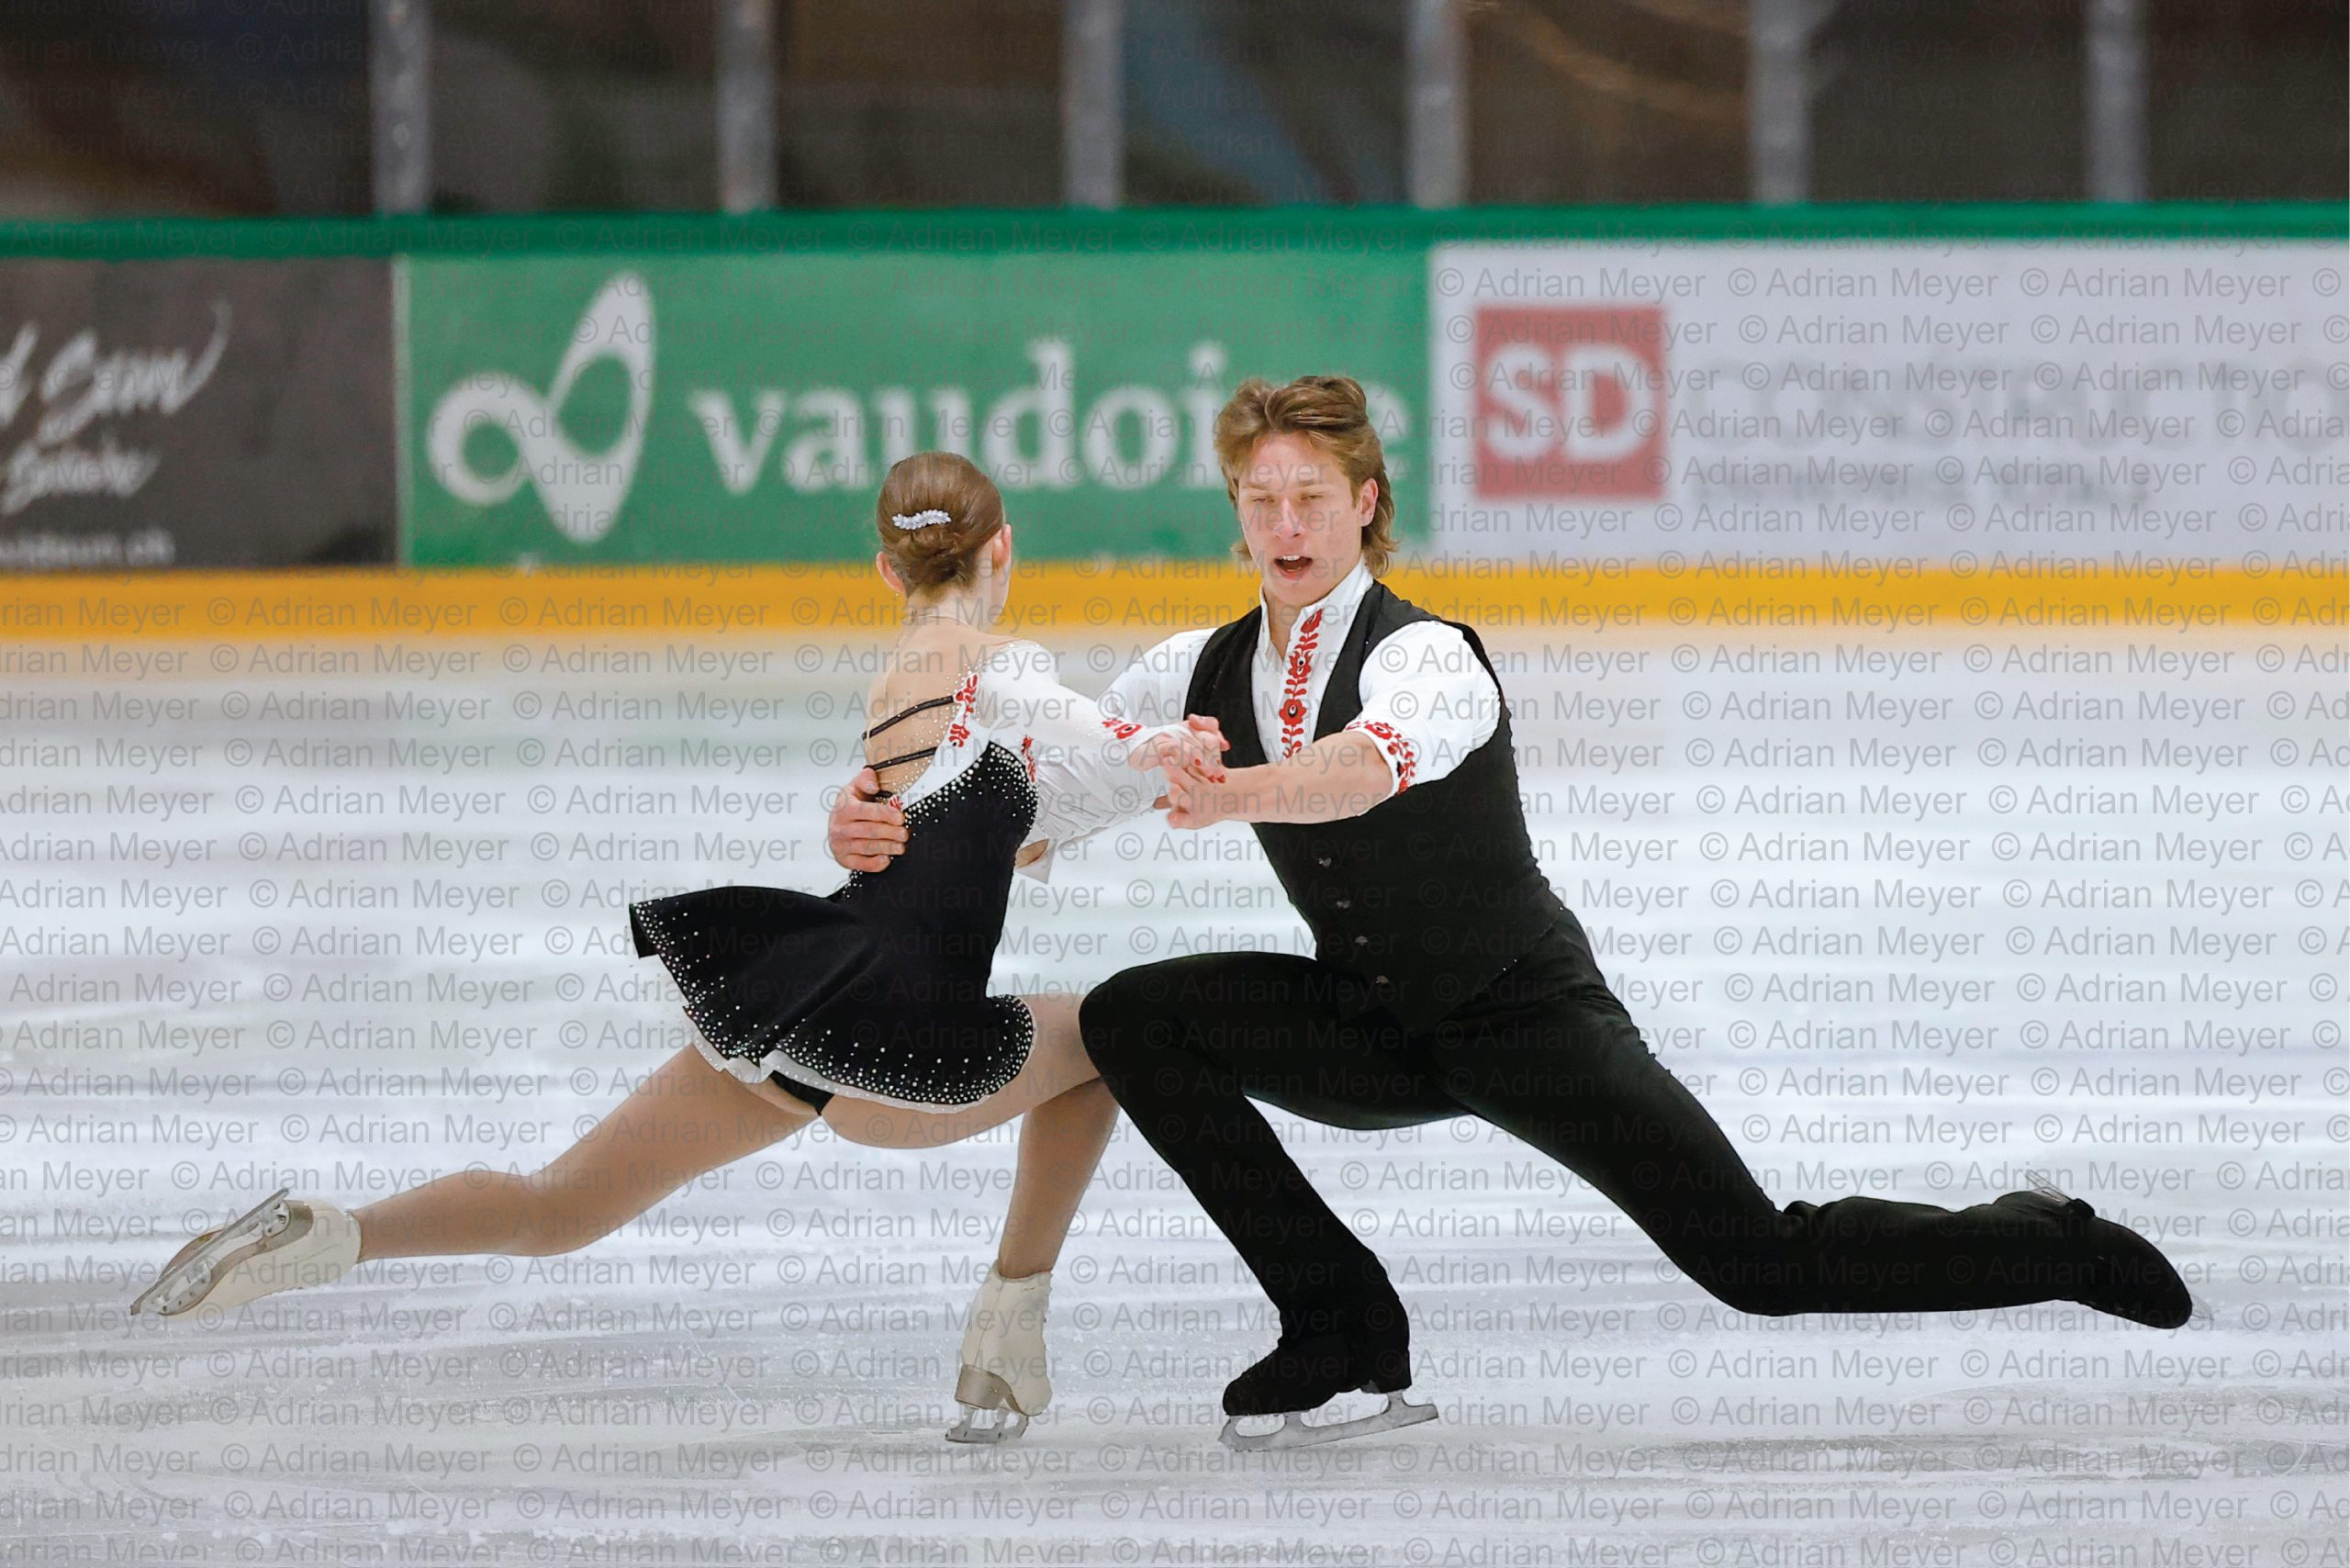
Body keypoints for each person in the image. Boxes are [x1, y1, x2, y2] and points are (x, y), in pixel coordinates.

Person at [828, 375, 2199, 1450]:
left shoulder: (1428, 655)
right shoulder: (1196, 664)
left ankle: (2044, 1237)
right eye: (1261, 501)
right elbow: (1037, 806)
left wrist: (1233, 790)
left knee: (1758, 1264)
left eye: (1313, 497)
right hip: (1370, 1022)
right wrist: (885, 822)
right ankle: (1344, 1327)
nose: (1287, 527)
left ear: (1367, 504)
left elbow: (1364, 772)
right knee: (1139, 1017)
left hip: (1524, 1017)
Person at [134, 451, 1220, 1446]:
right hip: (899, 1032)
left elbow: (987, 818)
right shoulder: (984, 659)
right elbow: (1040, 711)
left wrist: (1109, 777)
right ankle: (1002, 1340)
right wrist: (1151, 741)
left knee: (555, 1206)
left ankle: (332, 1230)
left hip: (797, 998)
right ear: (1004, 551)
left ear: (884, 572)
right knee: (1106, 1033)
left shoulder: (910, 672)